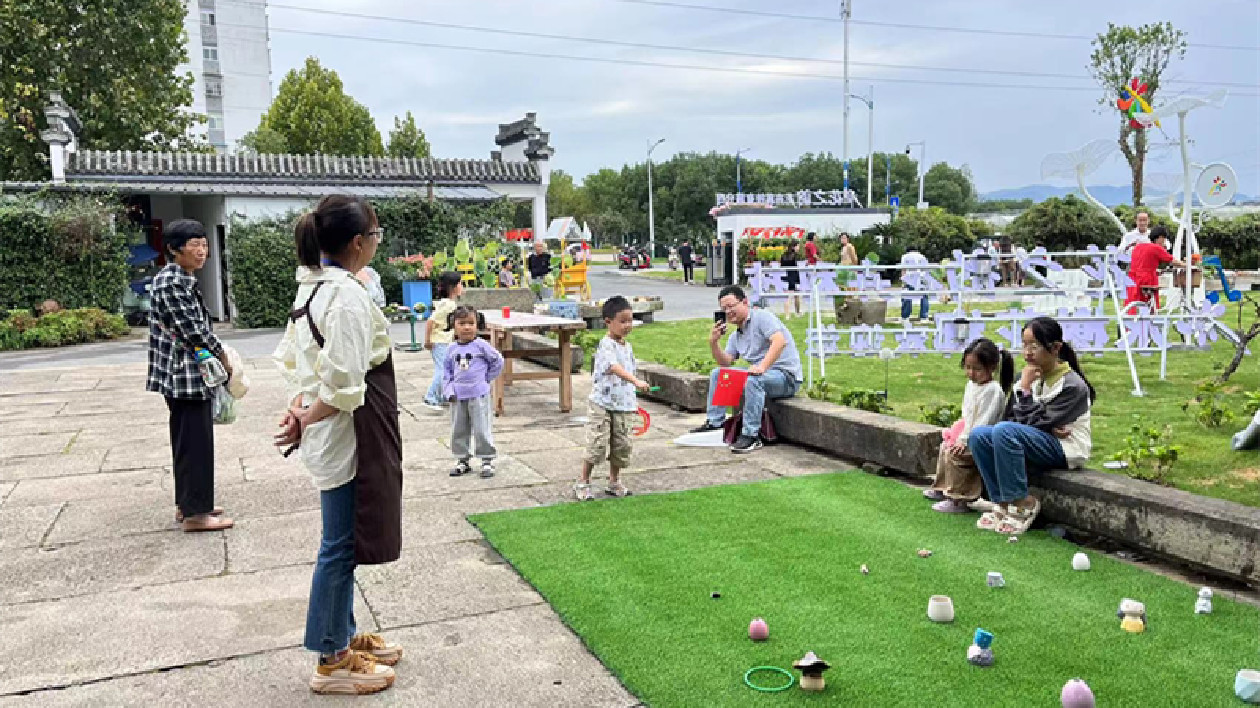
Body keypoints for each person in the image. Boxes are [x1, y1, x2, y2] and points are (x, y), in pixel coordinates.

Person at [272, 195, 403, 695]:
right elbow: (345, 383)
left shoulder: (313, 285)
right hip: (347, 431)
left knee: (342, 540)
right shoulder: (345, 296)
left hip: (332, 428)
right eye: (375, 235)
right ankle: (331, 656)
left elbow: (295, 362)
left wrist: (299, 409)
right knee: (340, 545)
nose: (376, 243)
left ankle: (342, 633)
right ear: (357, 242)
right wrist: (306, 416)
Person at [968, 316, 1094, 536]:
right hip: (1039, 439)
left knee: (1004, 431)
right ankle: (1001, 502)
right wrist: (1046, 424)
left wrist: (1026, 392)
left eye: (1034, 346)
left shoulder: (1073, 386)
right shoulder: (1026, 376)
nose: (1027, 353)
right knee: (979, 436)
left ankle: (1023, 502)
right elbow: (1012, 418)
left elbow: (1033, 423)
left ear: (1055, 348)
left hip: (1066, 448)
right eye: (1024, 345)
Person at [146, 219, 234, 532]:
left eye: (204, 244)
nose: (201, 251)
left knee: (187, 442)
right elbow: (193, 330)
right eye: (194, 244)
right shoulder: (172, 282)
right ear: (174, 249)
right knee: (196, 443)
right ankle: (197, 514)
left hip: (185, 373)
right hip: (183, 374)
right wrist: (223, 355)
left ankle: (189, 505)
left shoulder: (181, 278)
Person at [690, 285, 803, 453]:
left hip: (786, 378)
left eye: (731, 306)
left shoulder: (762, 317)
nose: (728, 312)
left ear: (745, 302)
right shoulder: (736, 336)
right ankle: (715, 423)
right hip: (763, 375)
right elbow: (725, 363)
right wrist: (714, 342)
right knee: (719, 374)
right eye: (724, 309)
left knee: (754, 380)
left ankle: (751, 435)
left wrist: (762, 367)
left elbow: (780, 341)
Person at [923, 339, 1014, 513]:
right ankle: (943, 487)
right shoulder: (971, 386)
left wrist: (964, 440)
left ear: (992, 367)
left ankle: (959, 498)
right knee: (945, 446)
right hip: (968, 433)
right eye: (968, 367)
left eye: (977, 369)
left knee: (956, 454)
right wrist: (957, 433)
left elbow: (984, 421)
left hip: (981, 440)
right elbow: (967, 415)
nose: (971, 373)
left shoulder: (993, 391)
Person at [574, 296, 650, 500]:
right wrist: (636, 381)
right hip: (602, 404)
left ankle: (614, 481)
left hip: (624, 404)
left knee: (622, 445)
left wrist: (634, 391)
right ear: (608, 322)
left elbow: (629, 368)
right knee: (597, 443)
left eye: (630, 320)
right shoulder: (606, 345)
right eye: (622, 321)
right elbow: (614, 367)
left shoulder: (627, 347)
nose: (627, 325)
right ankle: (583, 481)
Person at [442, 305, 504, 478]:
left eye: (471, 323)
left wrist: (486, 379)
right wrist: (448, 390)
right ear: (454, 325)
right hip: (458, 396)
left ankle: (486, 460)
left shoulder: (481, 346)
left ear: (477, 325)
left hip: (479, 396)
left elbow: (497, 361)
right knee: (458, 429)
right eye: (462, 323)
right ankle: (462, 460)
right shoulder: (451, 349)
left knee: (481, 429)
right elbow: (446, 372)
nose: (467, 327)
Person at [422, 272, 463, 412]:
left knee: (445, 369)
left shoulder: (448, 303)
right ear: (453, 287)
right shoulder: (448, 305)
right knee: (442, 371)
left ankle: (442, 396)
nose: (462, 287)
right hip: (440, 342)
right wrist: (427, 340)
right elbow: (430, 321)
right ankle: (430, 397)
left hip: (443, 341)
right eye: (460, 284)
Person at [1124, 225, 1182, 313]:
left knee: (1133, 305)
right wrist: (1187, 264)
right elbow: (1173, 261)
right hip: (1146, 279)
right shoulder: (1156, 247)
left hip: (1132, 279)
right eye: (1164, 239)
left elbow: (1142, 264)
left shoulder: (1138, 246)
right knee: (1151, 304)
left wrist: (1156, 271)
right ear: (1160, 238)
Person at [899, 249, 930, 321]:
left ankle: (905, 316)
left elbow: (904, 269)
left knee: (907, 296)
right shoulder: (922, 256)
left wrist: (903, 281)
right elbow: (926, 270)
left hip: (910, 277)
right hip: (921, 277)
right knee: (924, 297)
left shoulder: (905, 256)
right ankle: (924, 316)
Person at [780, 242, 801, 316]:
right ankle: (789, 314)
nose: (798, 248)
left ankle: (796, 312)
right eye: (797, 246)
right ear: (793, 247)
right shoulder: (794, 256)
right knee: (791, 296)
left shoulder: (784, 255)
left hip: (787, 276)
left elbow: (781, 265)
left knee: (795, 295)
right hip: (793, 277)